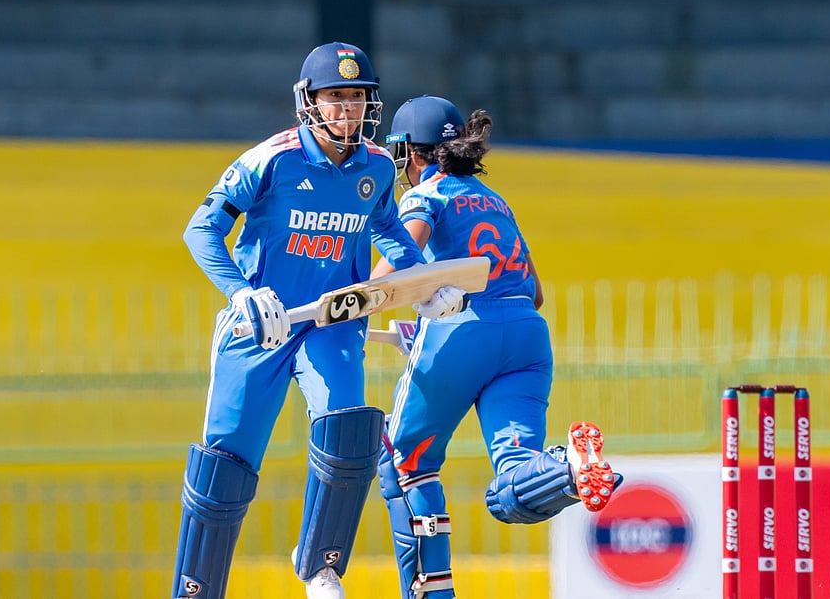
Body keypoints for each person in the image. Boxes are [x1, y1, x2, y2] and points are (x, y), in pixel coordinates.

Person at [172, 45, 469, 599]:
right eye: (336, 96)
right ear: (309, 101)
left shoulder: (376, 166)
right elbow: (201, 228)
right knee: (225, 466)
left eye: (357, 97)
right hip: (262, 325)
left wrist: (424, 284)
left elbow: (388, 229)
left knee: (348, 429)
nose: (348, 109)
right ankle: (195, 589)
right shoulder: (272, 159)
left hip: (332, 324)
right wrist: (241, 293)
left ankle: (320, 565)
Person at [373, 96, 623, 599]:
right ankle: (567, 470)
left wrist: (357, 299)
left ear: (410, 153)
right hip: (527, 336)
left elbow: (396, 264)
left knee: (404, 463)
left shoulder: (427, 194)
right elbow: (534, 291)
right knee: (511, 488)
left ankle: (430, 594)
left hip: (462, 332)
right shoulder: (495, 200)